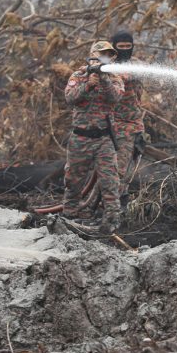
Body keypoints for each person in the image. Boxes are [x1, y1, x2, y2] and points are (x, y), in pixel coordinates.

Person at [64, 41, 125, 233]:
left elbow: (115, 98)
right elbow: (69, 98)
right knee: (73, 178)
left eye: (109, 54)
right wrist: (87, 86)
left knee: (110, 180)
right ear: (92, 54)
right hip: (80, 137)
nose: (105, 57)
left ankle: (112, 219)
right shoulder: (78, 75)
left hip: (104, 139)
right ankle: (69, 213)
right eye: (101, 54)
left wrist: (104, 80)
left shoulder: (114, 78)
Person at [109, 30, 145, 209]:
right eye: (120, 47)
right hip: (110, 125)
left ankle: (119, 204)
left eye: (128, 47)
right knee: (112, 169)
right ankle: (109, 206)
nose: (124, 50)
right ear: (113, 47)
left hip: (132, 125)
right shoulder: (105, 66)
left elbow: (130, 75)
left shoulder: (135, 65)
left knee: (125, 168)